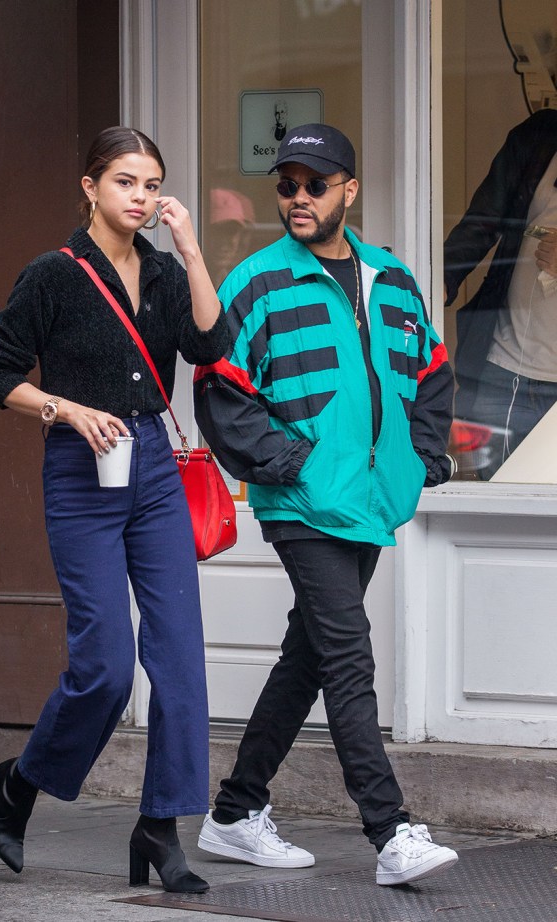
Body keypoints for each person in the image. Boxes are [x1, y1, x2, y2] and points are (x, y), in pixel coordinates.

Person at [193, 123, 459, 887]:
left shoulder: (392, 279)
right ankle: (390, 831)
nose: (298, 198)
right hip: (304, 500)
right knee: (348, 654)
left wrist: (424, 456)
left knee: (308, 653)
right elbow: (222, 387)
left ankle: (237, 812)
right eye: (286, 185)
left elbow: (433, 370)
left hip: (371, 498)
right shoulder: (258, 282)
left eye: (314, 184)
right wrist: (285, 463)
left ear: (349, 188)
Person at [0, 126, 228, 893]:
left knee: (181, 658)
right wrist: (64, 409)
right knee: (106, 667)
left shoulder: (159, 271)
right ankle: (20, 785)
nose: (142, 197)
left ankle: (160, 828)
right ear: (89, 186)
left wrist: (190, 250)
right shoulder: (51, 276)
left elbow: (209, 346)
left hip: (152, 464)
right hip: (80, 470)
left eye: (152, 185)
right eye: (126, 182)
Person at [444, 108, 557, 477]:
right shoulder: (540, 135)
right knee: (480, 487)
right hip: (503, 368)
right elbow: (482, 222)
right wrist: (434, 285)